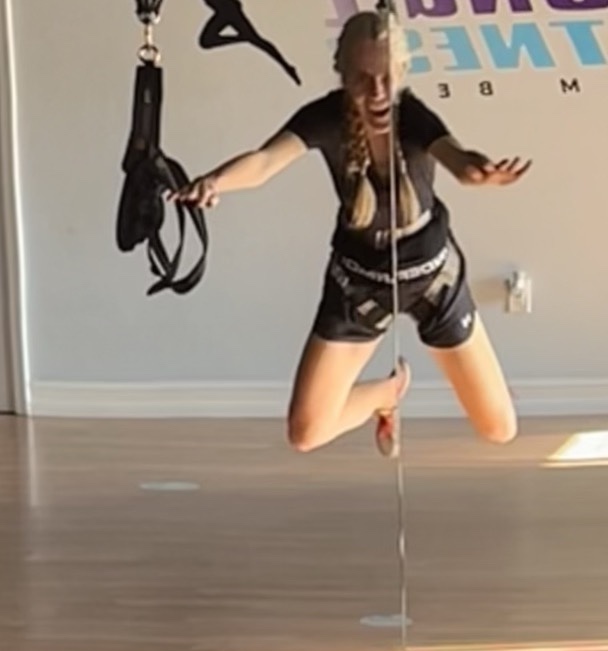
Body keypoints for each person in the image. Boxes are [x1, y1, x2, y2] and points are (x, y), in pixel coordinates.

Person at [171, 10, 531, 457]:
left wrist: (479, 172)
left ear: (402, 72)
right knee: (306, 433)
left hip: (433, 280)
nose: (377, 91)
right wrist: (214, 182)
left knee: (500, 429)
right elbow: (264, 162)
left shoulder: (413, 116)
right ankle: (386, 394)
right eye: (362, 79)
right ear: (341, 72)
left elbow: (457, 157)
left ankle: (427, 389)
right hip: (358, 283)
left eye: (386, 78)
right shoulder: (325, 117)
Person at [199, 0, 301, 86]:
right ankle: (244, 38)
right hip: (224, 11)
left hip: (229, 9)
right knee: (207, 41)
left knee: (256, 40)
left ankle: (287, 66)